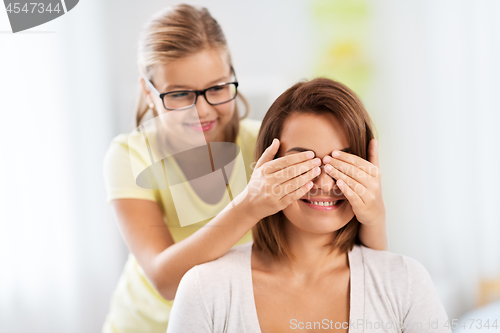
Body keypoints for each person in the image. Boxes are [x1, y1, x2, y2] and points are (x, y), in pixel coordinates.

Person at [102, 5, 388, 333]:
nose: (202, 110)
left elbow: (368, 265)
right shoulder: (129, 155)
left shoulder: (265, 145)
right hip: (146, 325)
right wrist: (250, 205)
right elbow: (165, 280)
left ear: (232, 75)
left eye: (217, 88)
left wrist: (375, 213)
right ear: (148, 92)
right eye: (180, 94)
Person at [167, 78, 451, 333]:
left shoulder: (406, 281)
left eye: (342, 163)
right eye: (304, 162)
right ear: (265, 168)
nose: (326, 183)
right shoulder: (205, 289)